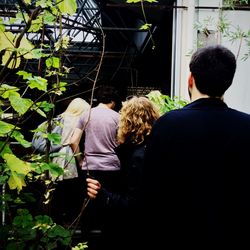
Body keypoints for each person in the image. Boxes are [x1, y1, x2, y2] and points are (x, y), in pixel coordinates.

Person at [140, 45, 250, 247]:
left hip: (179, 236)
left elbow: (150, 194)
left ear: (191, 79)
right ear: (229, 82)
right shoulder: (246, 126)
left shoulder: (167, 124)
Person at [86, 96, 160, 250]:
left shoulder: (136, 156)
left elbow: (134, 204)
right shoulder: (150, 150)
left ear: (127, 122)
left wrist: (102, 195)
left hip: (128, 231)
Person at [70, 85, 122, 248]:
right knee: (109, 205)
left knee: (88, 206)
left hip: (90, 167)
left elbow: (73, 141)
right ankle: (107, 242)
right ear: (113, 101)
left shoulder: (87, 114)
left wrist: (80, 160)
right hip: (112, 168)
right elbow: (121, 142)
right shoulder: (117, 117)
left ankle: (84, 242)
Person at [50, 97, 90, 226]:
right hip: (69, 158)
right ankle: (69, 220)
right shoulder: (77, 121)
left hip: (56, 157)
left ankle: (55, 221)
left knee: (57, 190)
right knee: (71, 190)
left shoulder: (59, 119)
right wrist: (80, 159)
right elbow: (74, 142)